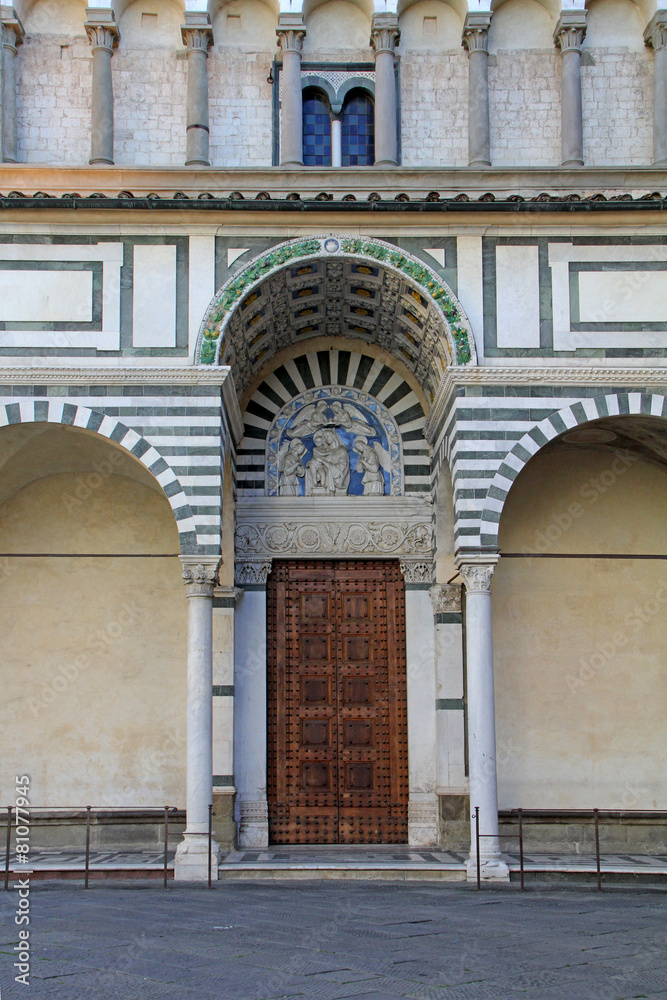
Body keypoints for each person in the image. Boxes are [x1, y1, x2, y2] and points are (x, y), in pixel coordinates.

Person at [305, 429, 350, 496]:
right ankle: (318, 488)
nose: (326, 439)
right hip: (322, 472)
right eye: (324, 437)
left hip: (336, 476)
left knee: (327, 471)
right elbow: (317, 460)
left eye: (328, 436)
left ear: (333, 436)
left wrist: (324, 461)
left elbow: (342, 467)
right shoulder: (324, 450)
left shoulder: (341, 450)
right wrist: (311, 463)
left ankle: (328, 490)